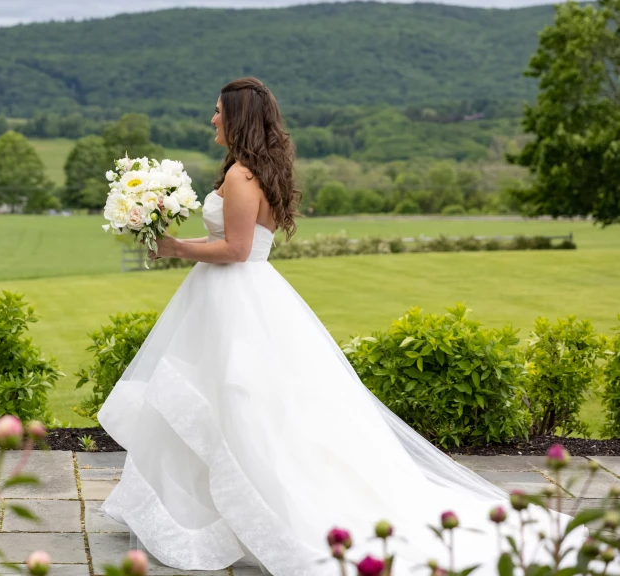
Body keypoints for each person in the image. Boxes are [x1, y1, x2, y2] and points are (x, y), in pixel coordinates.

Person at [97, 77, 570, 574]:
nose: (212, 118)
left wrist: (173, 247)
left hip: (234, 300)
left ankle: (242, 512)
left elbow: (235, 250)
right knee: (223, 406)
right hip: (235, 298)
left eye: (218, 111)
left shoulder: (241, 177)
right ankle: (203, 510)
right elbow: (236, 239)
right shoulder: (254, 170)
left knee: (234, 406)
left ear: (237, 118)